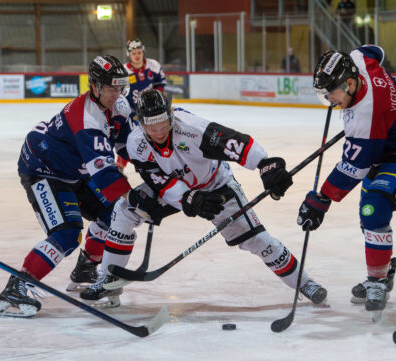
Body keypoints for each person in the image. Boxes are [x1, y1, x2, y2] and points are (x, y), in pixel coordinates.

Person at [78, 89, 328, 307]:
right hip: (175, 190)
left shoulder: (192, 129)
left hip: (216, 187)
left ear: (171, 114)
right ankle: (107, 278)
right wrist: (188, 199)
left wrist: (264, 164)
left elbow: (233, 142)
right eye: (152, 128)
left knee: (260, 242)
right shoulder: (137, 144)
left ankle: (305, 283)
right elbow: (159, 181)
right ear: (142, 124)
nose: (159, 132)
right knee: (124, 209)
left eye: (164, 124)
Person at [297, 46, 396, 314]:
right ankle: (383, 270)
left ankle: (378, 281)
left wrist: (321, 200)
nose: (330, 101)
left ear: (350, 83)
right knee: (368, 220)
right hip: (386, 142)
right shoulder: (358, 60)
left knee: (373, 209)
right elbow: (375, 50)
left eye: (332, 94)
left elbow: (354, 167)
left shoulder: (366, 115)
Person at [0, 55, 134, 318]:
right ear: (94, 86)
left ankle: (86, 268)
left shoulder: (119, 105)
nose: (117, 94)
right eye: (111, 88)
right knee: (67, 233)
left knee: (115, 213)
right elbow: (104, 174)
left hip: (75, 169)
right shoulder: (87, 118)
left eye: (120, 87)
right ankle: (18, 286)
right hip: (44, 169)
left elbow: (129, 146)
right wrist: (136, 198)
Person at [119, 38, 167, 171]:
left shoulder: (154, 66)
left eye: (139, 52)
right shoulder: (123, 71)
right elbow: (119, 94)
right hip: (132, 113)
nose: (137, 55)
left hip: (152, 112)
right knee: (131, 140)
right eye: (134, 53)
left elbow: (160, 85)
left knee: (156, 136)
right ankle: (121, 166)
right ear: (129, 54)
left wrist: (158, 104)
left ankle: (157, 164)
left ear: (143, 51)